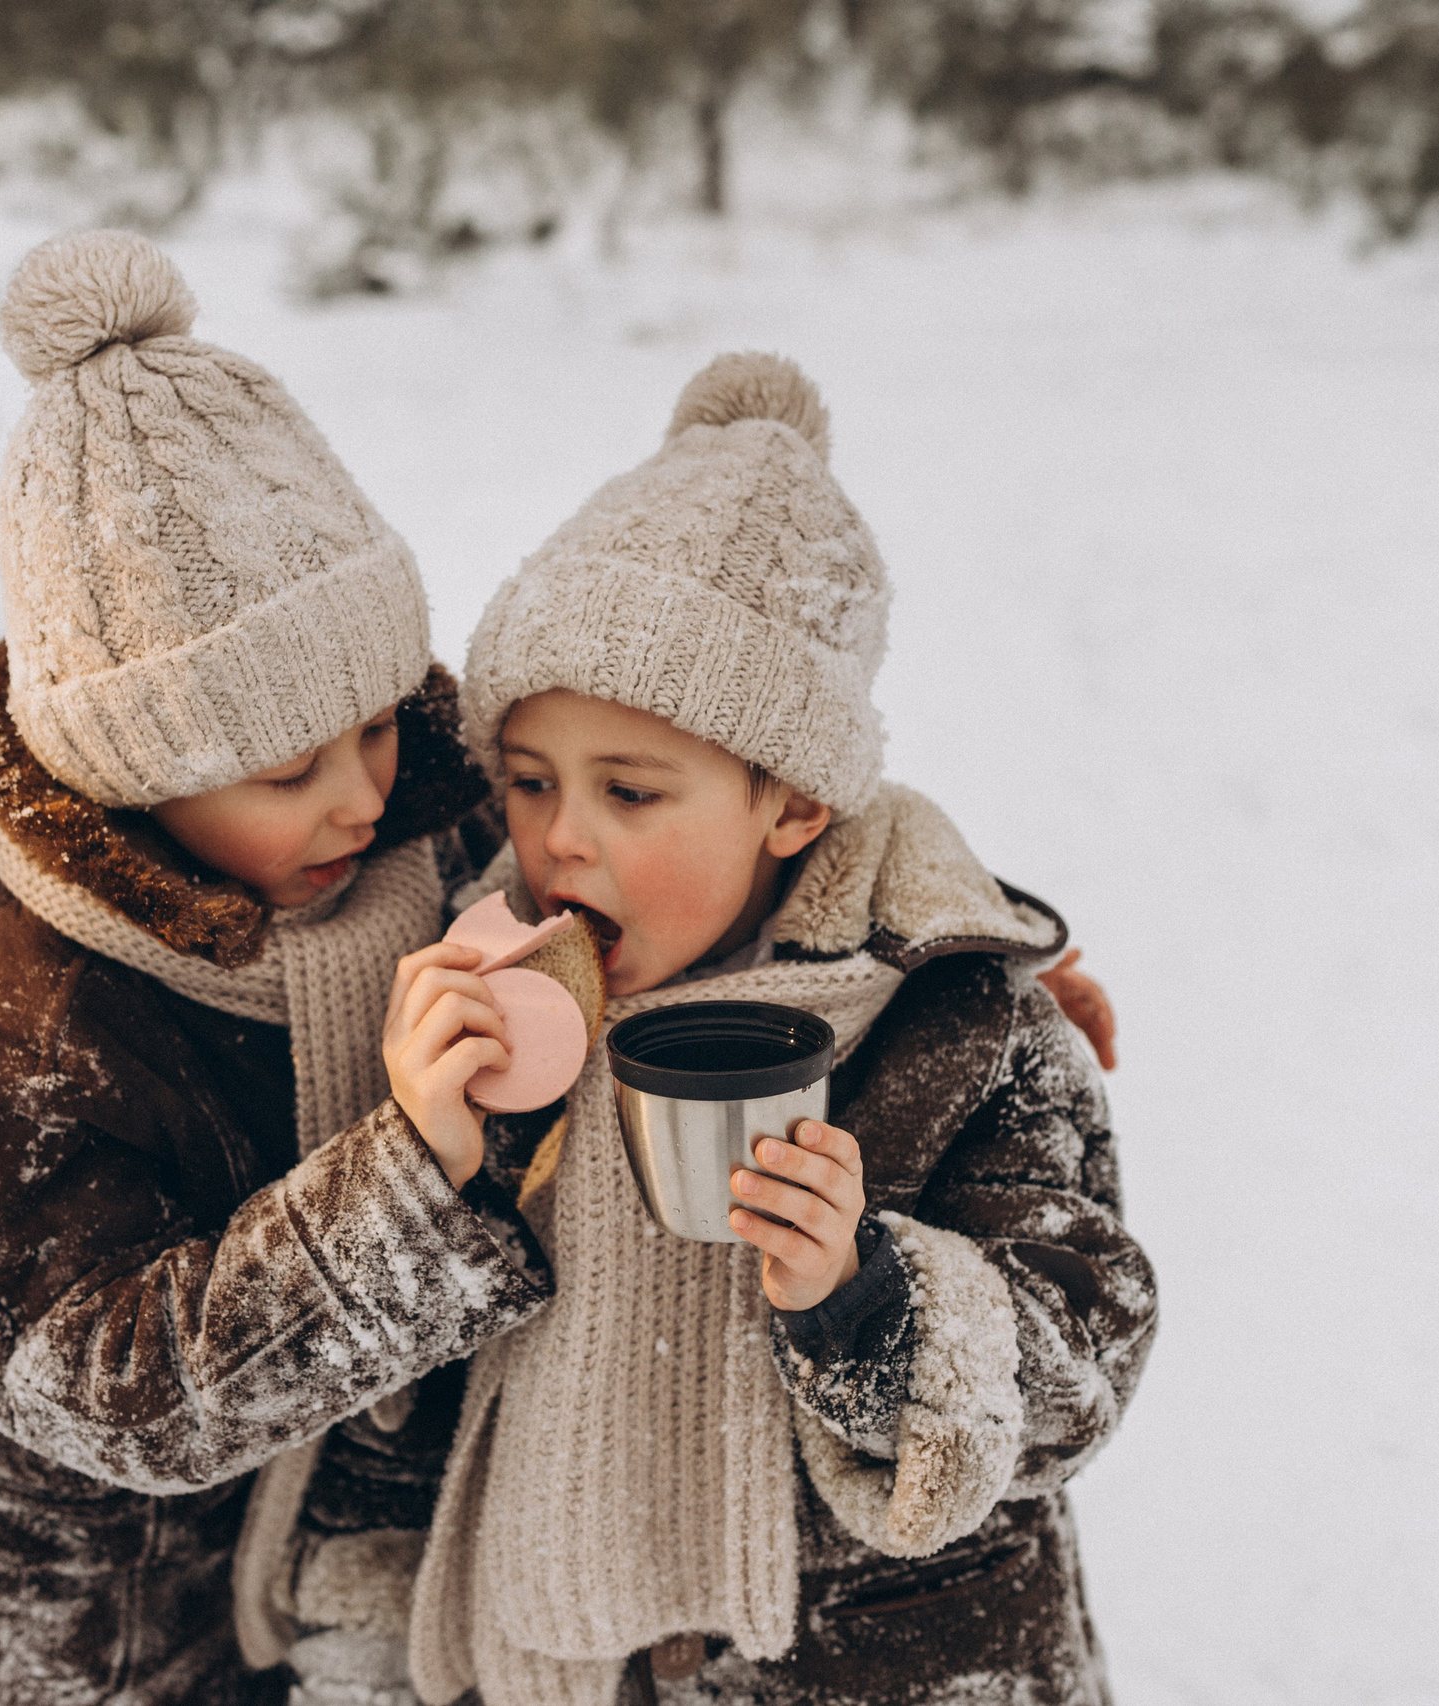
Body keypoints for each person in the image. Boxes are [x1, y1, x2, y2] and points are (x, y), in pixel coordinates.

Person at [404, 353, 1159, 1706]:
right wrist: (428, 1154)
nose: (561, 836)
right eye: (528, 778)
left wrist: (869, 1302)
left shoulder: (952, 1018)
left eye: (633, 792)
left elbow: (1089, 1342)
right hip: (573, 1655)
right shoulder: (479, 971)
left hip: (877, 1664)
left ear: (796, 805)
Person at [0, 230, 552, 1706]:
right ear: (132, 775)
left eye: (378, 722)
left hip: (339, 1559)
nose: (360, 797)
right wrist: (403, 1184)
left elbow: (662, 861)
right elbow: (114, 1392)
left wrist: (946, 978)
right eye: (284, 768)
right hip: (106, 1623)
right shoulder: (21, 1026)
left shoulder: (440, 831)